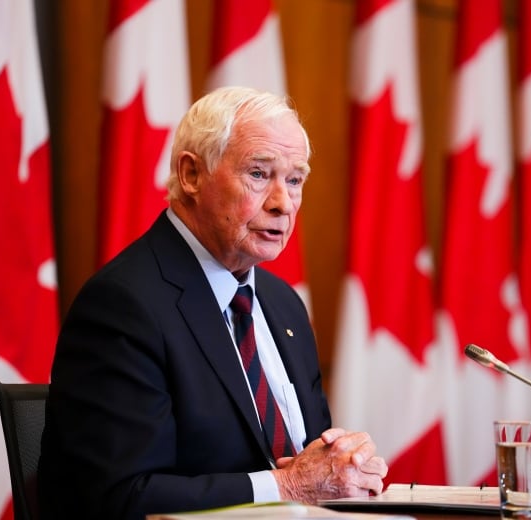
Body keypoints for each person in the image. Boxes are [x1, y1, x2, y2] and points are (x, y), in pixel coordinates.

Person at [38, 86, 388, 519]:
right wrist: (288, 486)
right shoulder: (124, 306)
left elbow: (311, 466)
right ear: (191, 176)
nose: (282, 204)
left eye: (294, 180)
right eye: (259, 174)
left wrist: (344, 467)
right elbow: (122, 498)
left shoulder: (283, 305)